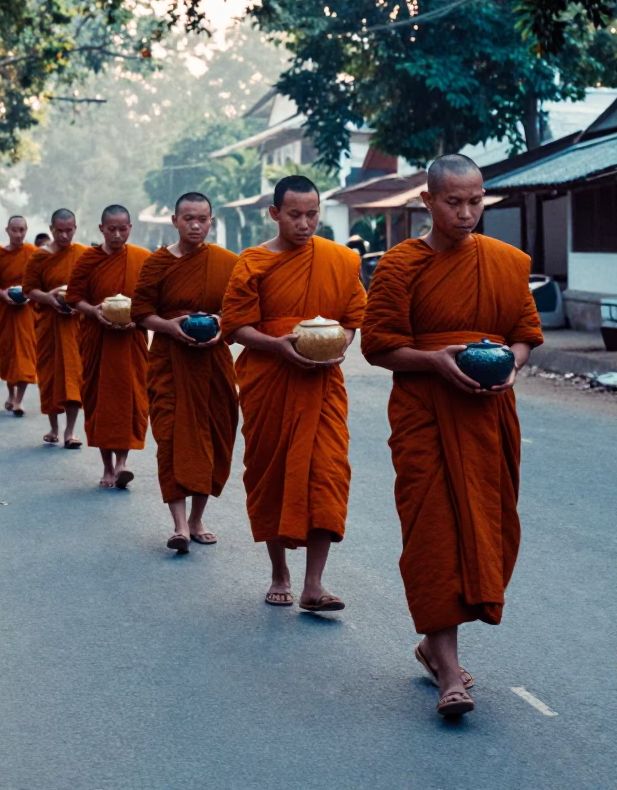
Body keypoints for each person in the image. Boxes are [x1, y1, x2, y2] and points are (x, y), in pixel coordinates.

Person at [361, 153, 543, 719]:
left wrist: (510, 364)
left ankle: (432, 649)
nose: (467, 214)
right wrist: (434, 362)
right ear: (428, 202)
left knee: (491, 528)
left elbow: (524, 334)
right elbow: (377, 345)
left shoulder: (508, 263)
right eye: (454, 202)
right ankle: (448, 670)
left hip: (488, 415)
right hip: (424, 412)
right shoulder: (398, 266)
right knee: (433, 533)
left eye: (475, 201)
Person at [221, 175, 366, 611]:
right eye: (294, 215)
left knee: (327, 474)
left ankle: (314, 584)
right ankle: (279, 572)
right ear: (274, 214)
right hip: (269, 380)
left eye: (312, 214)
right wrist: (276, 345)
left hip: (322, 383)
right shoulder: (253, 263)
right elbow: (235, 326)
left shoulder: (340, 261)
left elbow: (352, 317)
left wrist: (338, 345)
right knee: (272, 473)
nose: (305, 224)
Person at [131, 192, 238, 553]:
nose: (196, 225)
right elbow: (140, 312)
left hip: (213, 362)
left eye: (203, 219)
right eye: (188, 218)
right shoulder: (157, 263)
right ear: (174, 221)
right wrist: (167, 325)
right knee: (172, 438)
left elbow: (238, 310)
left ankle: (197, 519)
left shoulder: (226, 262)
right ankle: (178, 525)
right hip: (168, 361)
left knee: (212, 434)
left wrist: (221, 323)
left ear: (211, 221)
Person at [65, 205, 150, 489]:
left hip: (130, 340)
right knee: (100, 400)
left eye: (123, 228)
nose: (117, 234)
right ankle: (107, 466)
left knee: (129, 399)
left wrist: (137, 320)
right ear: (101, 228)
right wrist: (94, 311)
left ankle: (123, 464)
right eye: (111, 229)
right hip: (97, 340)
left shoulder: (142, 259)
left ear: (130, 227)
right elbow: (74, 298)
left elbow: (151, 300)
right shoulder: (89, 260)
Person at [24, 208, 87, 446]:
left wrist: (80, 303)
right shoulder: (40, 257)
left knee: (73, 375)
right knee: (49, 375)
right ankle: (53, 427)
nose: (64, 236)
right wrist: (50, 297)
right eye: (59, 231)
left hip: (74, 324)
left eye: (68, 230)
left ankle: (70, 431)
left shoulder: (83, 254)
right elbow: (29, 289)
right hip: (49, 324)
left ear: (75, 229)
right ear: (51, 230)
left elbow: (90, 286)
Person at [0, 217, 38, 416]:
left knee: (25, 353)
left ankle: (19, 400)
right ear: (7, 230)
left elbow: (40, 281)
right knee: (7, 352)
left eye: (22, 230)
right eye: (14, 230)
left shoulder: (33, 253)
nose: (18, 234)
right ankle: (10, 393)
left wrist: (30, 294)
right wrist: (3, 294)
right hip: (5, 310)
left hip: (26, 311)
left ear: (26, 230)